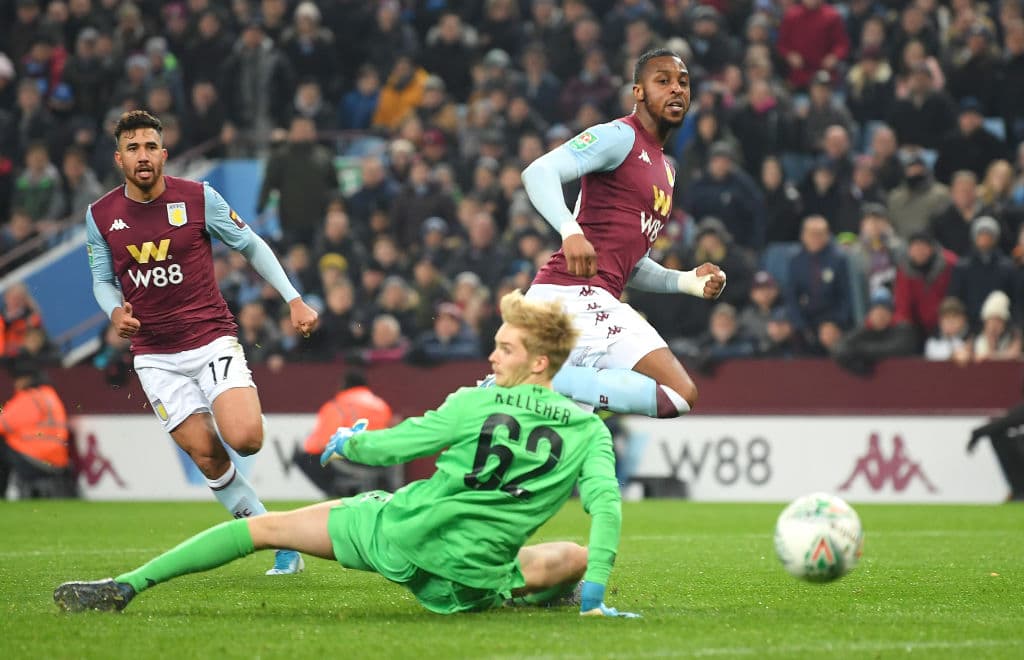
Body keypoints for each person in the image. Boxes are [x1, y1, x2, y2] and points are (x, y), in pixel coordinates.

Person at [54, 290, 635, 619]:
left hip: (399, 533)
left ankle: (128, 586)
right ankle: (537, 600)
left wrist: (349, 441)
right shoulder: (590, 432)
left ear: (538, 362)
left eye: (504, 348)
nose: (491, 356)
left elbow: (397, 443)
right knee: (576, 555)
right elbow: (607, 511)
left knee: (265, 530)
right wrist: (594, 599)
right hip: (476, 576)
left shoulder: (475, 403)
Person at [84, 111, 319, 575]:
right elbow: (101, 279)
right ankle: (277, 538)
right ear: (119, 158)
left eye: (151, 146)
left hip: (210, 338)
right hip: (155, 355)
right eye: (133, 148)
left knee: (246, 440)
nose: (143, 156)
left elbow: (250, 244)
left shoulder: (197, 198)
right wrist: (115, 311)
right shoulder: (101, 215)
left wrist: (293, 299)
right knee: (207, 455)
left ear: (164, 154)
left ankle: (275, 530)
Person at [519, 48, 726, 419]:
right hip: (570, 295)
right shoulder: (619, 136)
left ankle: (539, 382)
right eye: (662, 81)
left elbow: (631, 264)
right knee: (678, 392)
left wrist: (686, 282)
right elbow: (538, 172)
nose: (676, 89)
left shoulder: (667, 170)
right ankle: (540, 378)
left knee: (550, 460)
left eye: (683, 82)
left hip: (591, 304)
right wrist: (570, 231)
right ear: (639, 93)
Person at [295, 369, 395, 497]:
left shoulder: (337, 405)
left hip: (351, 460)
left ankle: (337, 493)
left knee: (305, 456)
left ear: (343, 385)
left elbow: (321, 442)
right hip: (379, 460)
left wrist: (308, 446)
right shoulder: (381, 405)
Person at [0, 357, 72, 499]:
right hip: (58, 459)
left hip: (34, 457)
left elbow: (3, 424)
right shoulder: (50, 396)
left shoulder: (29, 397)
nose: (16, 384)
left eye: (17, 379)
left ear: (25, 379)